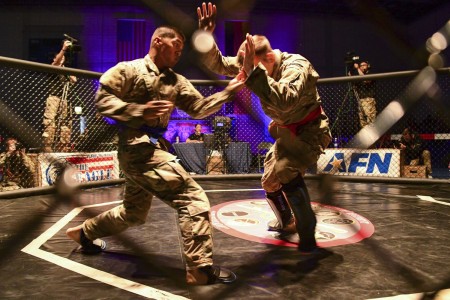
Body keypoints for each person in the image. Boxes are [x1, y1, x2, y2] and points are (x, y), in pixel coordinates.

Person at [66, 25, 245, 285]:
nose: (179, 52)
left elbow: (198, 108)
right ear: (159, 41)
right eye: (176, 46)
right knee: (191, 198)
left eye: (183, 49)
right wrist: (138, 111)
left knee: (133, 213)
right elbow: (102, 99)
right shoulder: (130, 69)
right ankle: (199, 269)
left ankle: (84, 233)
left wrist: (229, 91)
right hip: (137, 148)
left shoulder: (176, 81)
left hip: (152, 149)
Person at [198, 3, 332, 254]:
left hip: (310, 131)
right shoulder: (252, 64)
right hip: (285, 131)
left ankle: (307, 233)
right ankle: (288, 223)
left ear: (268, 58)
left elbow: (286, 99)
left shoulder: (296, 66)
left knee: (284, 170)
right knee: (269, 181)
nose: (244, 76)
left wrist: (254, 72)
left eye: (250, 69)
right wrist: (206, 37)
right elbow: (219, 64)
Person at [42, 39, 77, 152]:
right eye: (60, 56)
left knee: (65, 122)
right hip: (54, 97)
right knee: (50, 121)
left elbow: (74, 80)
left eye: (63, 57)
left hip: (64, 98)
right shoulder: (53, 66)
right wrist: (63, 49)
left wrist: (64, 68)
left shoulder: (64, 69)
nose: (62, 58)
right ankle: (47, 146)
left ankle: (64, 146)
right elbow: (56, 63)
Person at [347, 59, 376, 129]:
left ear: (368, 66)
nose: (361, 67)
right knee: (363, 122)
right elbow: (354, 83)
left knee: (370, 120)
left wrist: (357, 69)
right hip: (360, 101)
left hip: (368, 100)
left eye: (363, 65)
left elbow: (366, 80)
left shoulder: (370, 74)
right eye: (360, 66)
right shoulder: (359, 77)